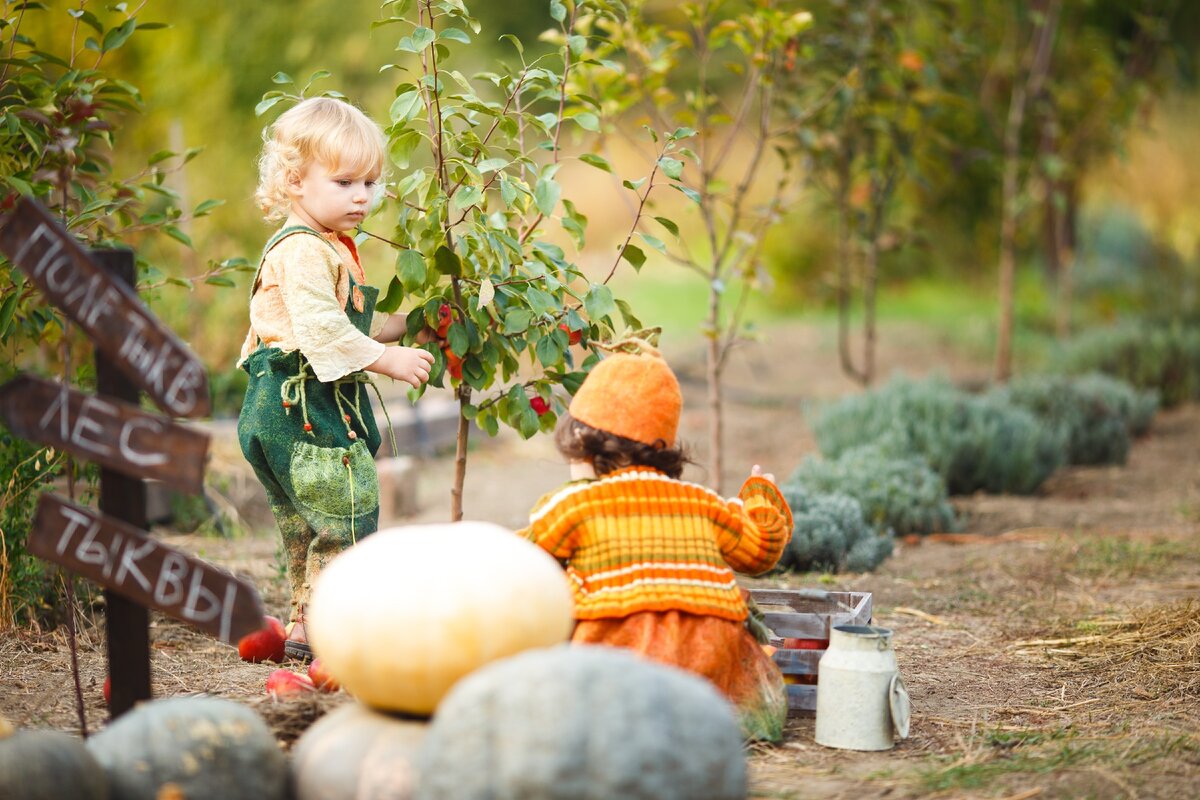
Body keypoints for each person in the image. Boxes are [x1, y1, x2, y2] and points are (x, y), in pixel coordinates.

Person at [236, 97, 434, 661]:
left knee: (310, 526)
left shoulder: (321, 246)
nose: (362, 196)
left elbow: (349, 320)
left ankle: (307, 627)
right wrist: (385, 360)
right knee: (345, 513)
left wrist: (411, 325)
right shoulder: (302, 250)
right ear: (295, 181)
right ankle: (333, 631)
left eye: (370, 183)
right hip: (301, 407)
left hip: (276, 405)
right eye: (345, 181)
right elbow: (324, 330)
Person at [517, 344, 794, 742]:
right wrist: (759, 496)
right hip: (709, 665)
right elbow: (761, 549)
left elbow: (522, 559)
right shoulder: (704, 504)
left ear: (584, 443)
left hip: (617, 658)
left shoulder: (573, 505)